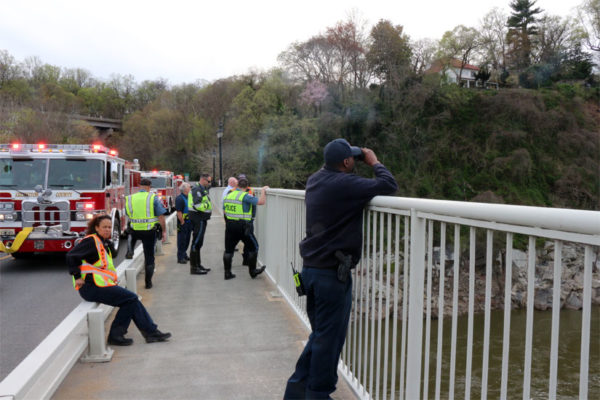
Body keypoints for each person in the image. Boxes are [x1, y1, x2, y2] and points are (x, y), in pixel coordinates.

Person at [283, 138, 398, 399]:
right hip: (330, 276)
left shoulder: (315, 180)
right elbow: (389, 185)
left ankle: (296, 390)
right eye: (353, 159)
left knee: (320, 336)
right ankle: (318, 394)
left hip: (310, 270)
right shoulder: (344, 183)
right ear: (346, 162)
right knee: (328, 341)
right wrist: (374, 162)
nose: (356, 162)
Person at [67, 214, 171, 346]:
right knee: (130, 299)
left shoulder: (102, 242)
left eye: (109, 227)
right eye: (104, 227)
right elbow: (71, 256)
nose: (107, 229)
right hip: (90, 287)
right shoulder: (91, 241)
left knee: (132, 299)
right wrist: (77, 277)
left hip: (99, 285)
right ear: (96, 228)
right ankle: (119, 335)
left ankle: (150, 332)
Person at [222, 175, 269, 280]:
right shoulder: (245, 196)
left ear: (237, 185)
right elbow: (261, 202)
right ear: (247, 186)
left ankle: (227, 273)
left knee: (228, 250)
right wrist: (263, 191)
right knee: (254, 247)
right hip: (243, 227)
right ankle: (253, 271)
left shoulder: (228, 195)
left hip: (230, 225)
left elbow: (224, 210)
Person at [124, 178, 167, 289]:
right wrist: (164, 231)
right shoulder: (152, 198)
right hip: (149, 231)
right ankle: (148, 283)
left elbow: (128, 213)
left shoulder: (130, 198)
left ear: (139, 186)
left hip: (134, 230)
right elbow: (161, 216)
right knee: (149, 257)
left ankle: (130, 250)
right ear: (149, 187)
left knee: (131, 234)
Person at [188, 173, 213, 275]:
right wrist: (207, 205)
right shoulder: (197, 190)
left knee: (199, 243)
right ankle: (194, 268)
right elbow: (197, 205)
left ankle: (198, 265)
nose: (209, 183)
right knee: (196, 243)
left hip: (201, 219)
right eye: (208, 181)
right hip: (199, 219)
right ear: (203, 180)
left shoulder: (201, 189)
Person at [238, 174, 256, 266]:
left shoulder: (233, 191)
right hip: (245, 220)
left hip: (239, 220)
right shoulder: (250, 191)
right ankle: (248, 261)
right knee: (248, 240)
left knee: (244, 240)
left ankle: (246, 259)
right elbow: (256, 203)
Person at [175, 182, 192, 264]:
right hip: (183, 223)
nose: (190, 188)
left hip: (189, 222)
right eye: (189, 187)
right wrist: (182, 222)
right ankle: (180, 257)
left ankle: (184, 254)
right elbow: (179, 212)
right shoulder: (180, 198)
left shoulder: (188, 197)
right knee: (182, 240)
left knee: (187, 240)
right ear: (185, 189)